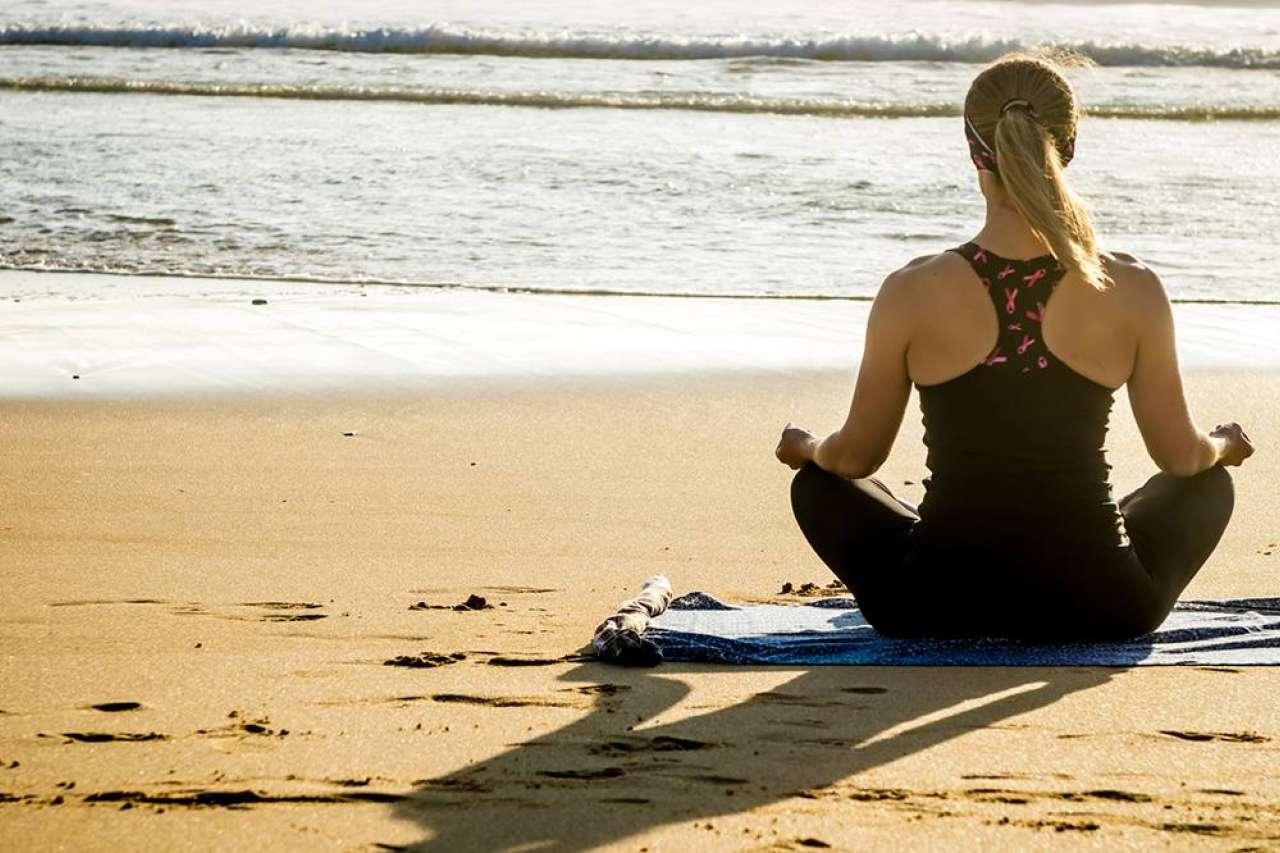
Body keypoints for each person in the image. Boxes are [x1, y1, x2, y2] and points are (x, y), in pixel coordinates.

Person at [774, 52, 1254, 641]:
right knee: (1208, 481)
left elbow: (854, 461)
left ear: (975, 151)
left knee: (818, 483)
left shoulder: (910, 289)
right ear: (1069, 147)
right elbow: (1181, 460)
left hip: (929, 603)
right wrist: (1224, 444)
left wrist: (809, 448)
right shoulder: (1132, 287)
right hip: (1103, 605)